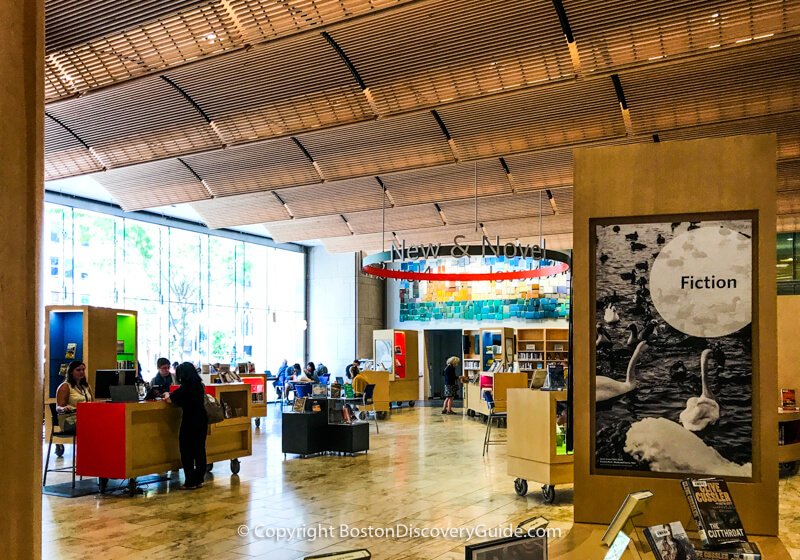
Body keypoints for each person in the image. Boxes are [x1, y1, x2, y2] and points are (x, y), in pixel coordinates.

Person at [163, 362, 208, 490]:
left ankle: (190, 481)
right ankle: (199, 479)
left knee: (186, 451)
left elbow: (170, 399)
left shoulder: (184, 388)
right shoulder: (199, 385)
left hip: (189, 421)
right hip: (202, 419)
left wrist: (166, 394)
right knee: (200, 449)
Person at [55, 361, 93, 433]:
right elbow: (58, 407)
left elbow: (92, 403)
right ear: (71, 372)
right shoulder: (65, 386)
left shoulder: (86, 387)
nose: (81, 372)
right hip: (70, 419)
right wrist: (64, 408)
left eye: (83, 370)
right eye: (78, 370)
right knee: (94, 425)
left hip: (85, 417)